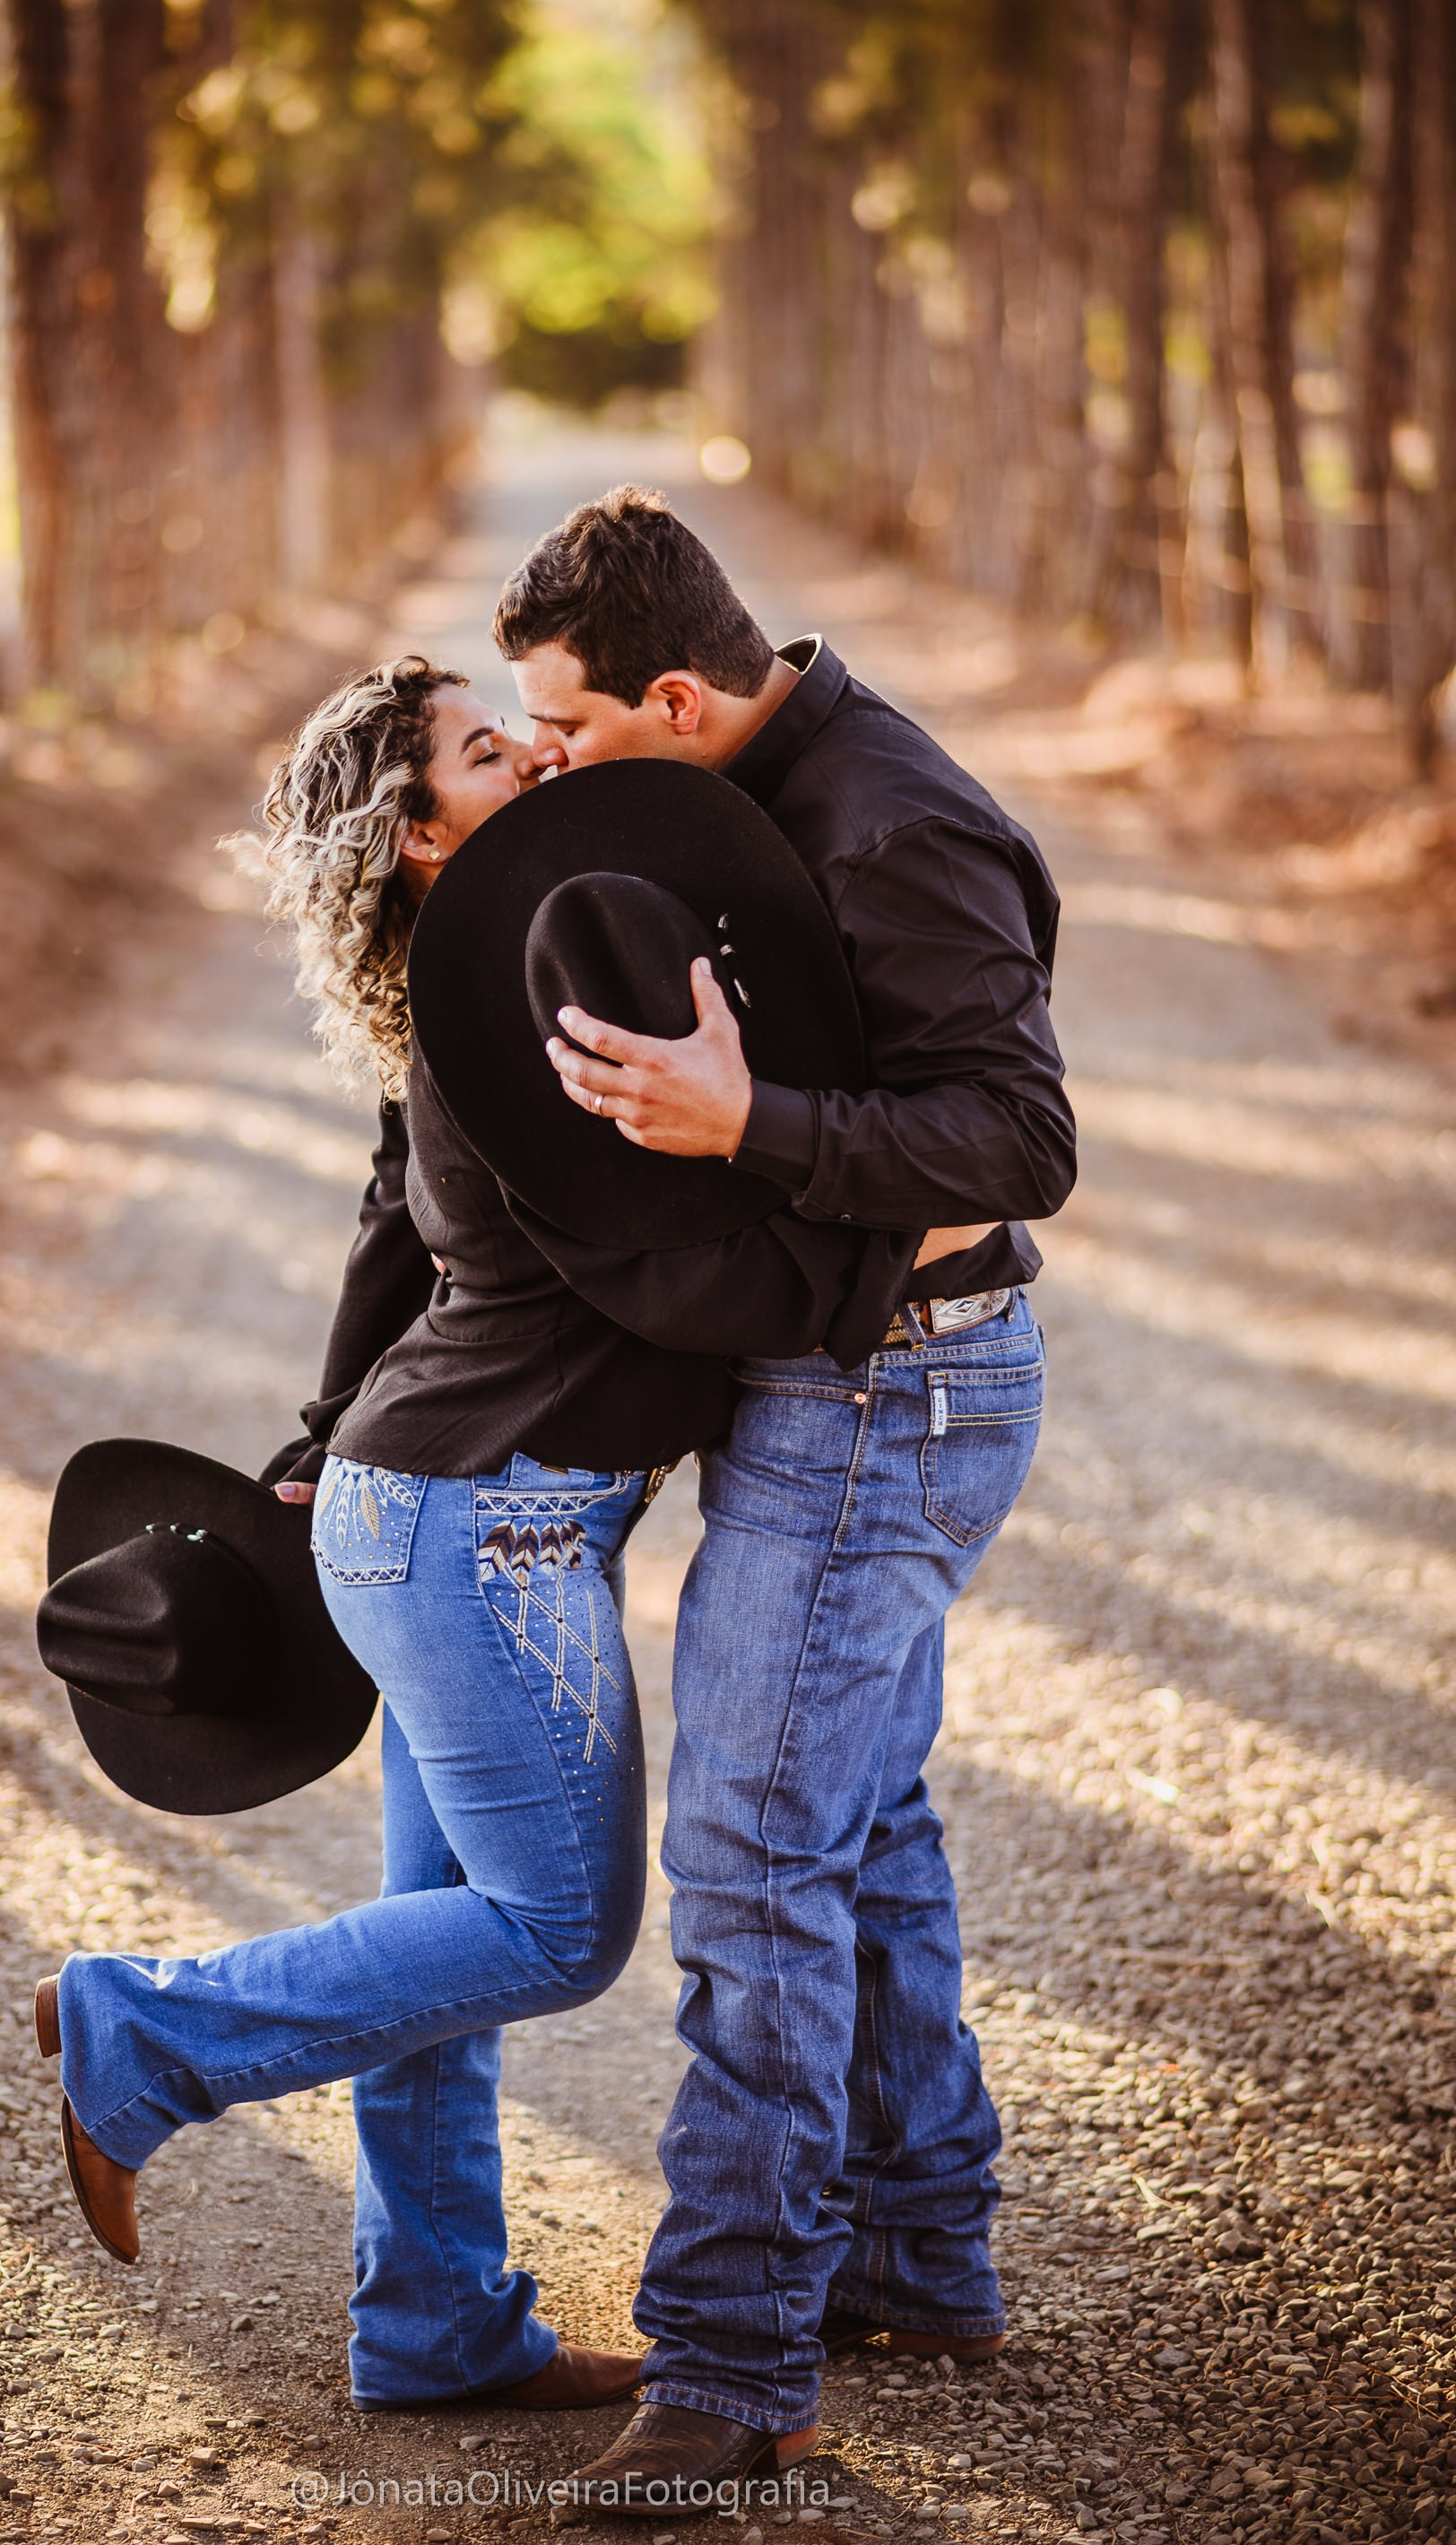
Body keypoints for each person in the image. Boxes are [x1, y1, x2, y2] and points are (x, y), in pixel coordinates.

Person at [39, 656, 925, 2434]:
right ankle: (148, 2029)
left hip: (449, 1513)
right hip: (474, 1530)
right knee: (550, 1929)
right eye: (483, 749)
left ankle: (435, 2322)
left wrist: (309, 1436)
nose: (532, 751)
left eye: (520, 728)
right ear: (424, 838)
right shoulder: (532, 1033)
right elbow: (680, 1280)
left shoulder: (506, 993)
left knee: (444, 1925)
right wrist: (884, 1242)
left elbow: (393, 1238)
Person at [485, 490, 1076, 2508]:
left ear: (674, 695)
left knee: (747, 1853)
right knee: (861, 1814)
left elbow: (1019, 1136)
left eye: (563, 736)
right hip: (825, 1365)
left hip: (893, 1389)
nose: (547, 775)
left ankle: (731, 2368)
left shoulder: (889, 821)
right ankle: (920, 2255)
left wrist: (748, 1121)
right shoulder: (711, 789)